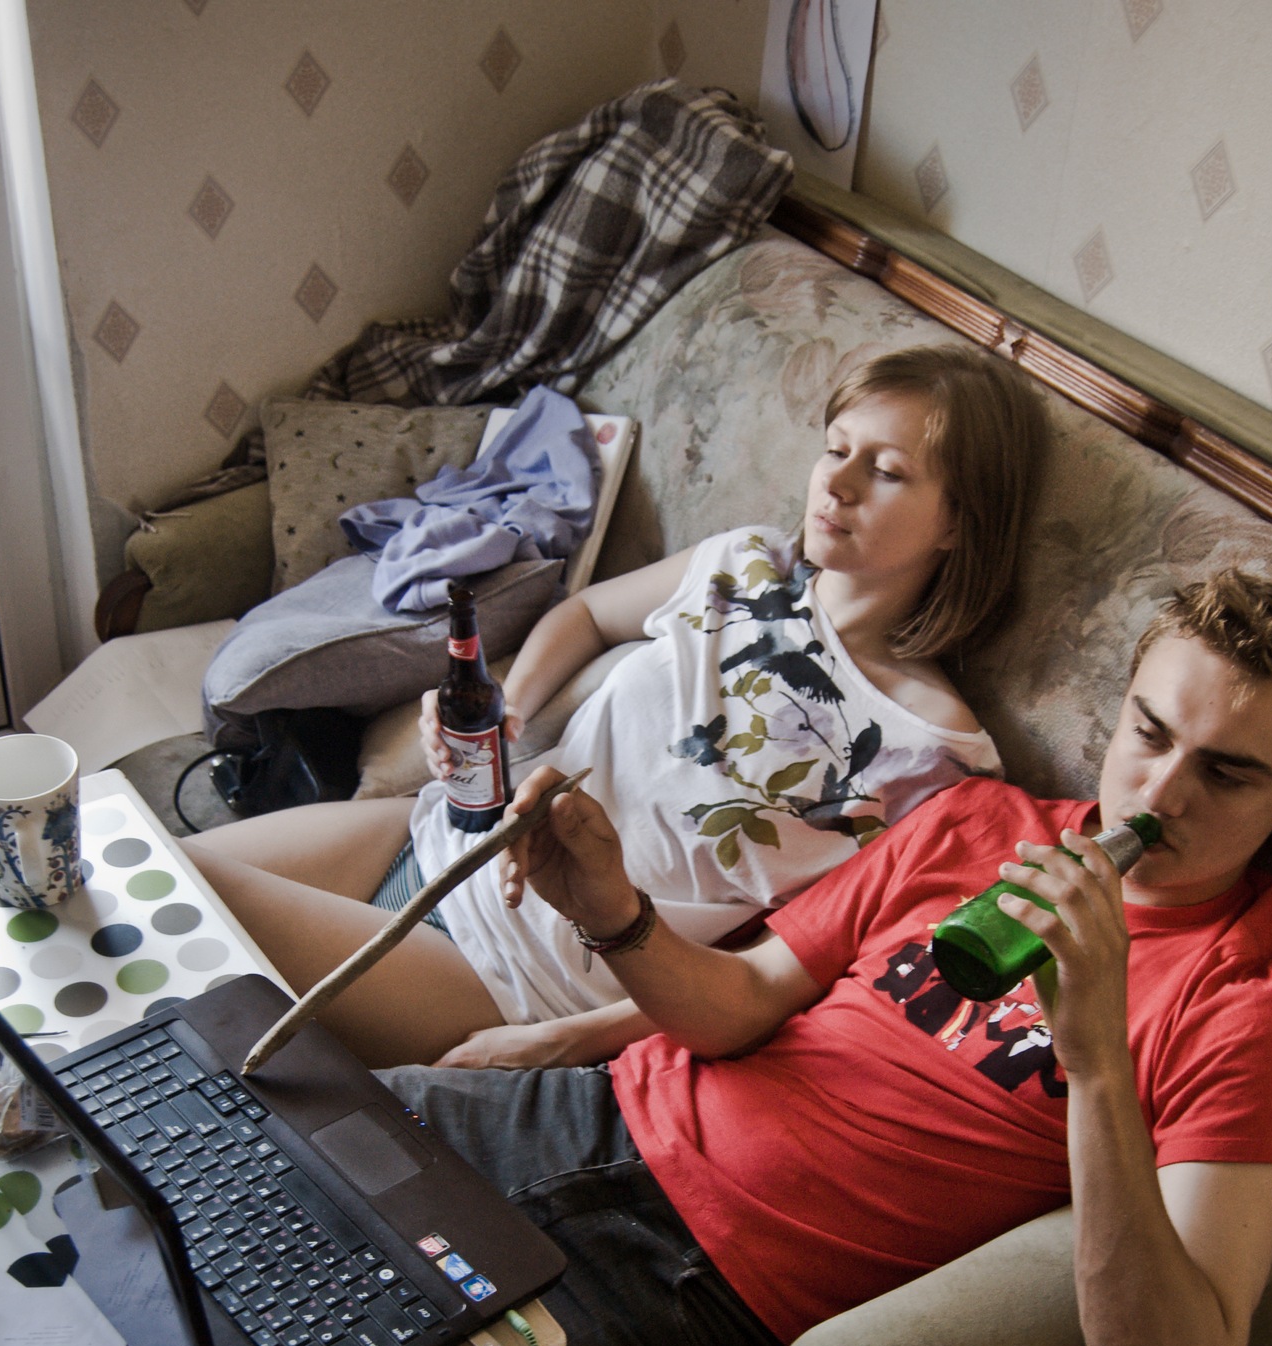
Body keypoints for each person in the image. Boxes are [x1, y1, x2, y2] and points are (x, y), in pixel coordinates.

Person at [203, 568, 1272, 1346]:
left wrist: (1099, 1061)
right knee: (225, 1161)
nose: (1160, 795)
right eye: (1150, 733)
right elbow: (745, 999)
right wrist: (614, 912)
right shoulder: (976, 824)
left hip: (698, 1288)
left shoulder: (1247, 1017)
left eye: (1228, 774)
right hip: (600, 1112)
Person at [180, 345, 1048, 1070]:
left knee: (185, 913)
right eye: (836, 449)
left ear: (958, 524)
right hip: (437, 838)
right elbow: (588, 615)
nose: (838, 484)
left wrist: (565, 1041)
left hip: (520, 974)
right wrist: (501, 716)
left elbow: (793, 966)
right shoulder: (743, 563)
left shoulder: (936, 757)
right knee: (155, 875)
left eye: (886, 471)